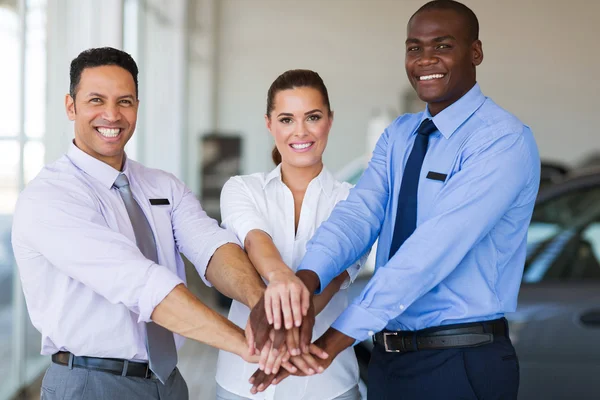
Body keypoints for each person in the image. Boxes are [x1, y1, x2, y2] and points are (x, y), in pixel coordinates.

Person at [248, 1, 541, 399]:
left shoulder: (501, 141)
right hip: (390, 359)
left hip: (461, 360)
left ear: (476, 52)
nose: (426, 60)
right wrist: (304, 283)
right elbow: (359, 215)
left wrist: (332, 341)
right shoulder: (401, 134)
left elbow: (430, 251)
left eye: (442, 45)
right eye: (414, 48)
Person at [11, 47, 265, 400]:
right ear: (71, 106)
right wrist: (248, 344)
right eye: (96, 100)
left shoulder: (162, 185)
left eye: (125, 101)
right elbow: (142, 284)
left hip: (168, 381)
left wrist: (262, 305)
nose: (112, 115)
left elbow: (211, 246)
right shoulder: (51, 197)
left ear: (137, 107)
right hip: (91, 383)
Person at [214, 69, 366, 400]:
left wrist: (290, 332)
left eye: (312, 117)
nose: (300, 131)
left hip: (327, 384)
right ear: (269, 124)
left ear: (330, 119)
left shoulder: (353, 200)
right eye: (286, 119)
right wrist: (280, 277)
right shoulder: (242, 189)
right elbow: (255, 241)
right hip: (243, 381)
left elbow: (338, 276)